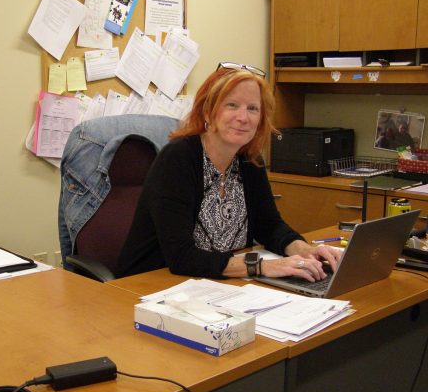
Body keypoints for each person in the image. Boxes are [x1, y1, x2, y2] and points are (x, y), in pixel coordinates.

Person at [117, 62, 343, 281]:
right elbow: (181, 257)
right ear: (208, 112)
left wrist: (305, 251)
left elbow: (269, 225)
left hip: (214, 286)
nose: (243, 118)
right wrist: (263, 267)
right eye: (231, 105)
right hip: (150, 287)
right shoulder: (178, 159)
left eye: (253, 108)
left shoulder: (249, 160)